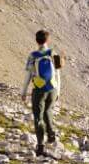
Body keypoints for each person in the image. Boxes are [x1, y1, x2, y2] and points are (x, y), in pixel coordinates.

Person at [21, 28, 60, 156]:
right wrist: (58, 90)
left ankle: (40, 146)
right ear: (48, 40)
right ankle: (51, 132)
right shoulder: (53, 53)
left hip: (39, 89)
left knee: (38, 117)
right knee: (48, 111)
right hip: (52, 88)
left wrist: (24, 91)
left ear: (36, 41)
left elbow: (28, 75)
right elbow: (58, 73)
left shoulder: (33, 56)